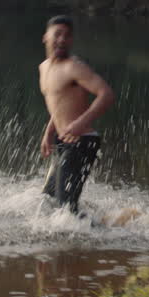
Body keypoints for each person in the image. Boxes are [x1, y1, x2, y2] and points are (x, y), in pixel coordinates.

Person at [38, 16, 116, 216]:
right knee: (48, 200)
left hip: (83, 141)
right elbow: (59, 105)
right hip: (64, 140)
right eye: (58, 34)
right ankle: (91, 234)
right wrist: (48, 133)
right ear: (45, 37)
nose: (62, 39)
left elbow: (106, 94)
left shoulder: (74, 67)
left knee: (65, 209)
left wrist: (82, 122)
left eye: (67, 36)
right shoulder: (44, 68)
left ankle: (103, 238)